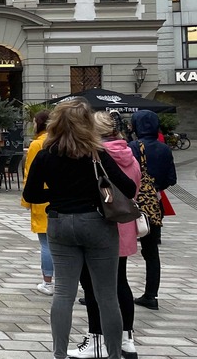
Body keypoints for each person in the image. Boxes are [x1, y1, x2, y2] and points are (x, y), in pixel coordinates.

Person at [23, 98, 137, 359]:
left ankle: (59, 353)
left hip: (60, 222)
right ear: (87, 124)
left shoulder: (45, 154)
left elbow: (31, 194)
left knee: (64, 292)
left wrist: (58, 196)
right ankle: (113, 354)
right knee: (106, 294)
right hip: (96, 222)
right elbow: (128, 189)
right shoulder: (97, 154)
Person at [67, 111, 142, 358]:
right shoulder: (130, 154)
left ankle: (96, 339)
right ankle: (127, 338)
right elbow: (135, 189)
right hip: (125, 223)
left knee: (92, 286)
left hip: (101, 225)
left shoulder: (95, 156)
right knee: (120, 282)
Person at [127, 110, 176, 310]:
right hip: (154, 205)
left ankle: (106, 291)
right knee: (151, 252)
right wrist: (155, 187)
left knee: (116, 250)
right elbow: (171, 179)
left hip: (133, 205)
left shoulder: (133, 147)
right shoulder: (164, 149)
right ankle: (151, 295)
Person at [22, 110, 53, 295]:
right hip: (62, 195)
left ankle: (47, 282)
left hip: (42, 197)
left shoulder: (37, 144)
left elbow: (30, 174)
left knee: (46, 243)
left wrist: (27, 201)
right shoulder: (63, 140)